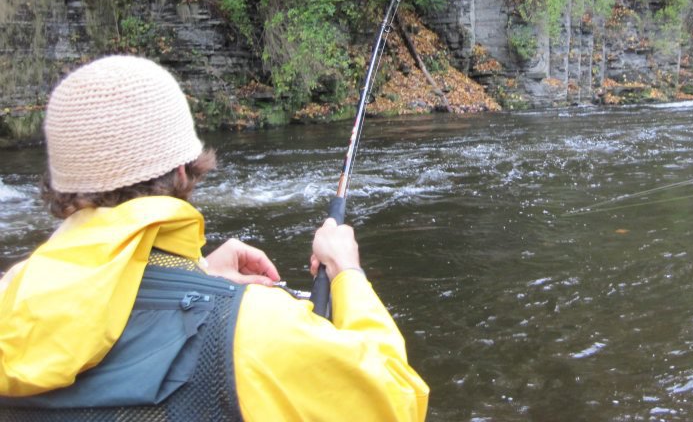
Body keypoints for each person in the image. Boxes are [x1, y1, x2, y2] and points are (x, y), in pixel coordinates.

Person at [0, 55, 429, 420]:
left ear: (63, 184)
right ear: (184, 171)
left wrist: (197, 273)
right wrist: (346, 271)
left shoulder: (14, 297)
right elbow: (397, 401)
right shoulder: (255, 326)